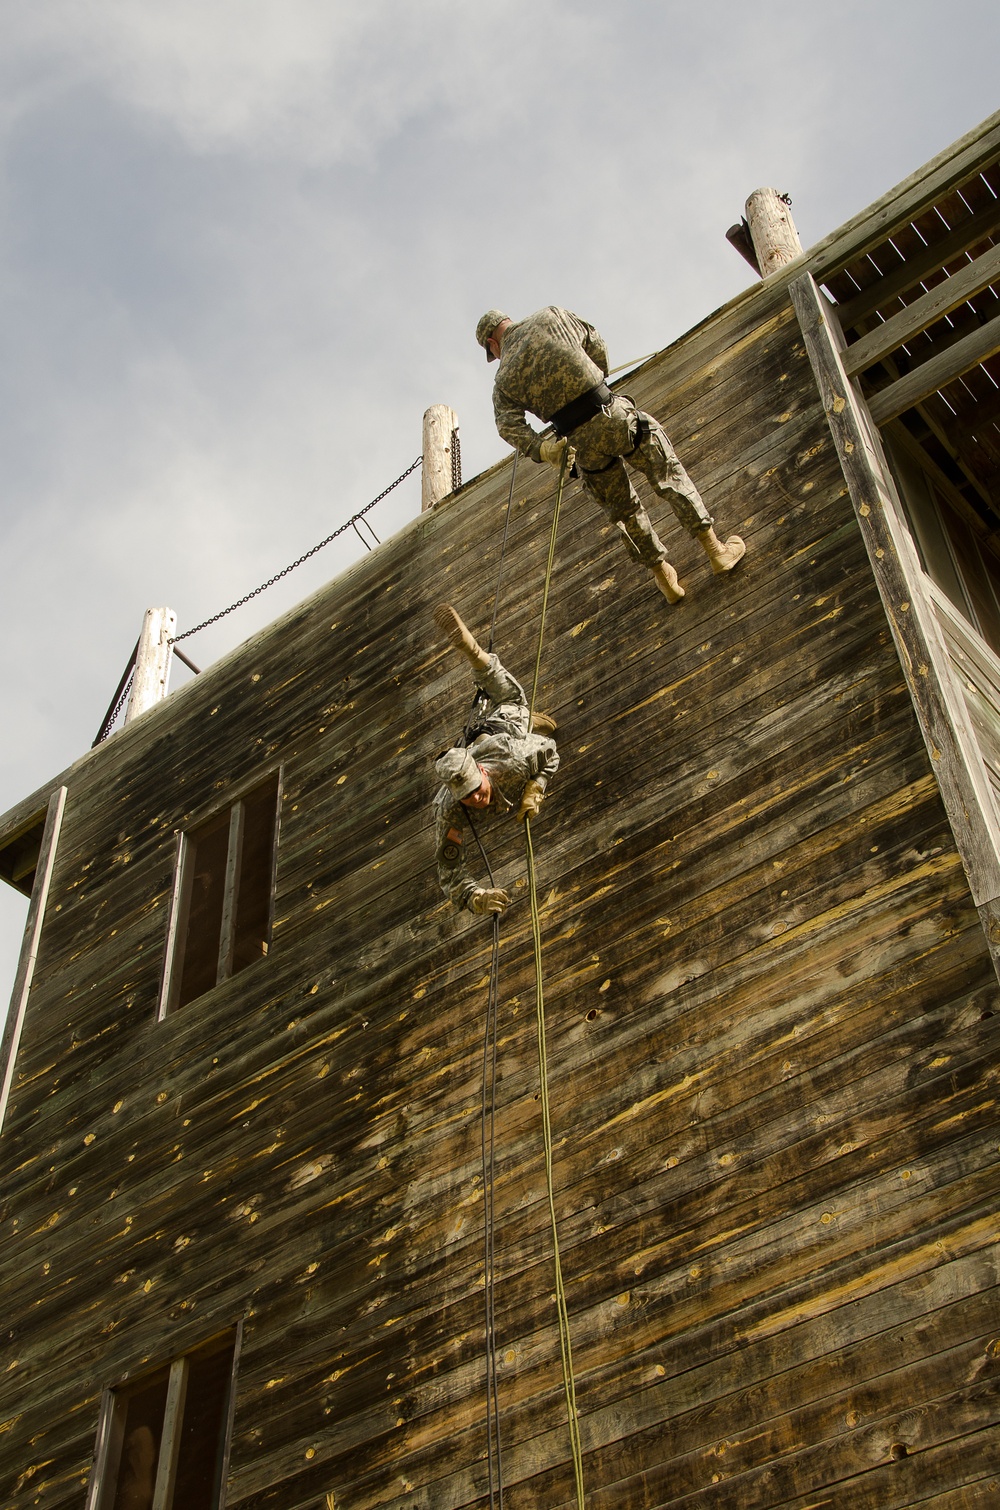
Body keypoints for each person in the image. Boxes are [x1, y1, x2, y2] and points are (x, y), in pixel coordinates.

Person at [475, 306, 746, 604]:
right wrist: (597, 378)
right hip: (609, 414)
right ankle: (716, 552)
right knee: (667, 474)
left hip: (578, 442)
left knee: (623, 511)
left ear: (492, 343)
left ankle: (664, 576)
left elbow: (507, 425)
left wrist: (544, 450)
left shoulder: (502, 380)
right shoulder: (550, 316)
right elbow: (595, 342)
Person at [432, 604, 559, 917]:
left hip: (505, 723)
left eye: (476, 788)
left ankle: (472, 649)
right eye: (467, 796)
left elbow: (550, 751)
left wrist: (535, 787)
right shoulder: (451, 811)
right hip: (477, 745)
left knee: (514, 702)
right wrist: (476, 898)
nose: (475, 797)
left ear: (481, 772)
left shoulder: (512, 758)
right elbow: (449, 874)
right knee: (503, 703)